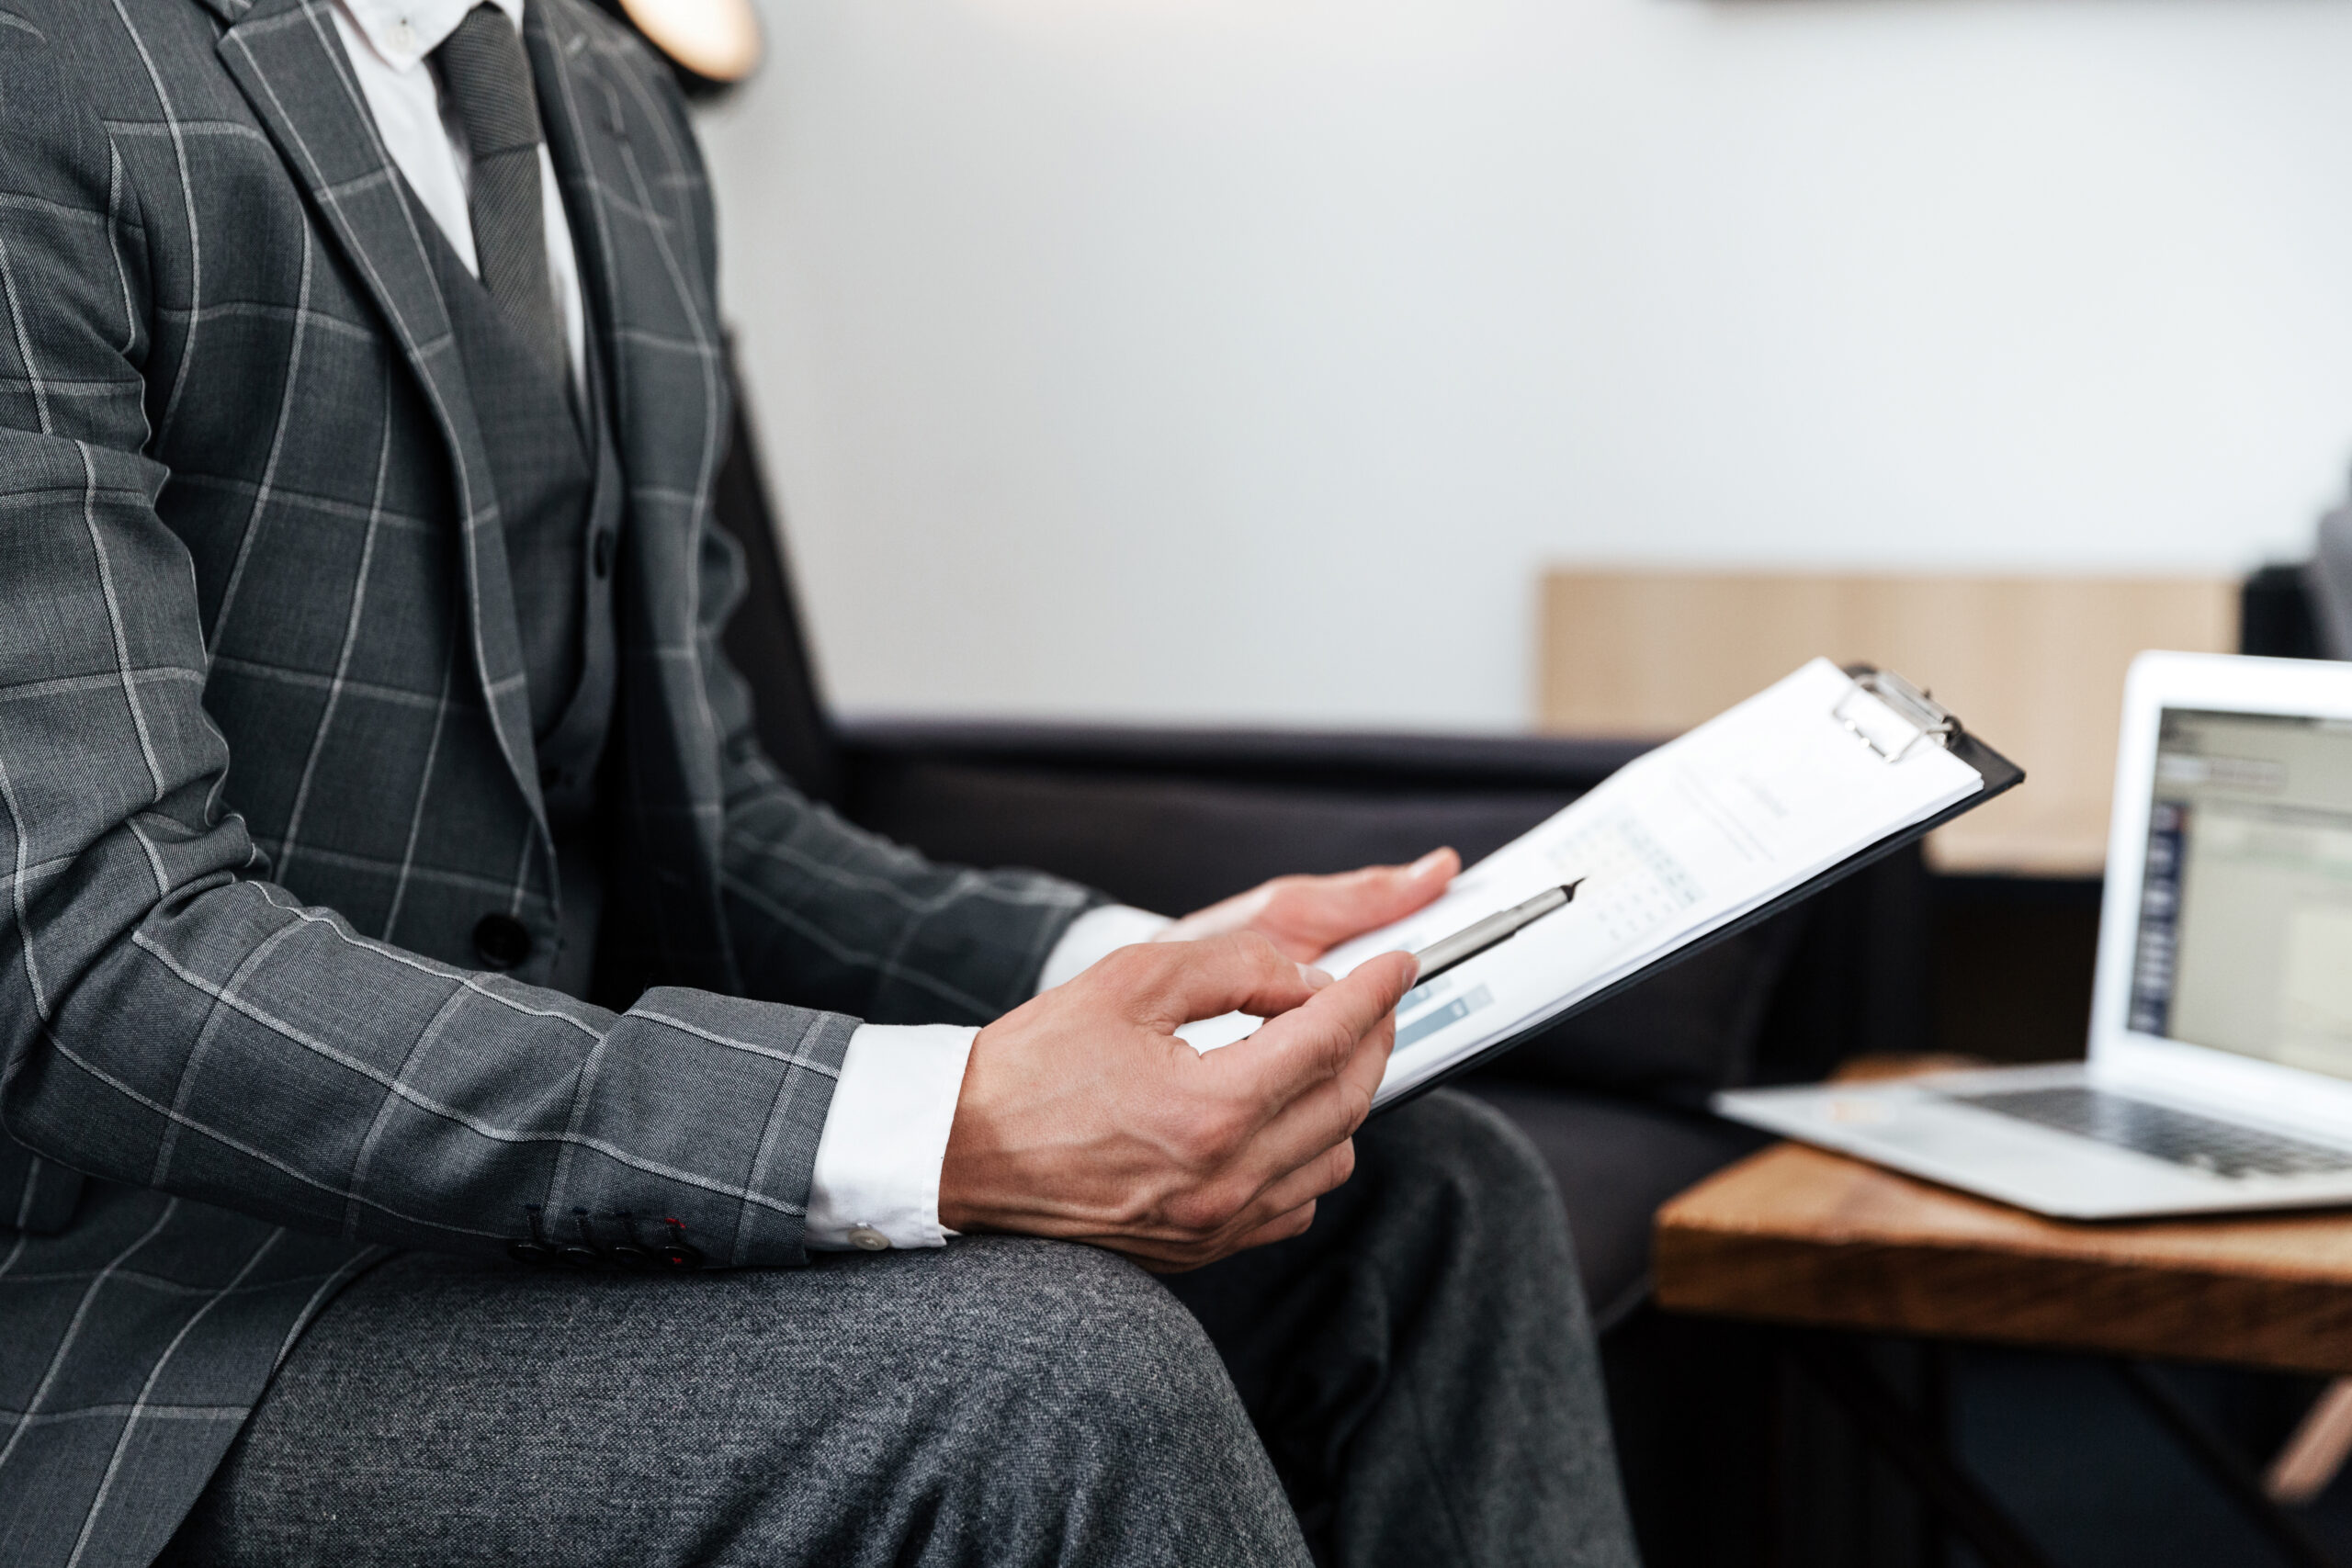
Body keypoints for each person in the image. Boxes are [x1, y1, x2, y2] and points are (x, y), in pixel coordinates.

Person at [0, 1, 1641, 1563]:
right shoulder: (40, 72)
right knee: (1049, 1386)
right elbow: (96, 955)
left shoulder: (611, 102)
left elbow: (712, 822)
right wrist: (949, 1124)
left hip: (513, 1235)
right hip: (138, 1317)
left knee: (1426, 1192)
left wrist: (1147, 975)